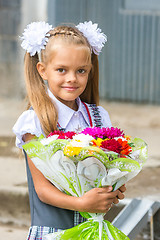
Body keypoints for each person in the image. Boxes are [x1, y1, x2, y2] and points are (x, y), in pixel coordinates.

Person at [13, 21, 126, 240]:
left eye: (81, 70)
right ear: (43, 70)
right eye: (61, 70)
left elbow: (106, 174)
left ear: (90, 71)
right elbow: (42, 190)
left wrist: (114, 189)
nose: (72, 78)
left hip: (94, 232)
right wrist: (82, 203)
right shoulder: (34, 122)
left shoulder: (99, 117)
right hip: (53, 234)